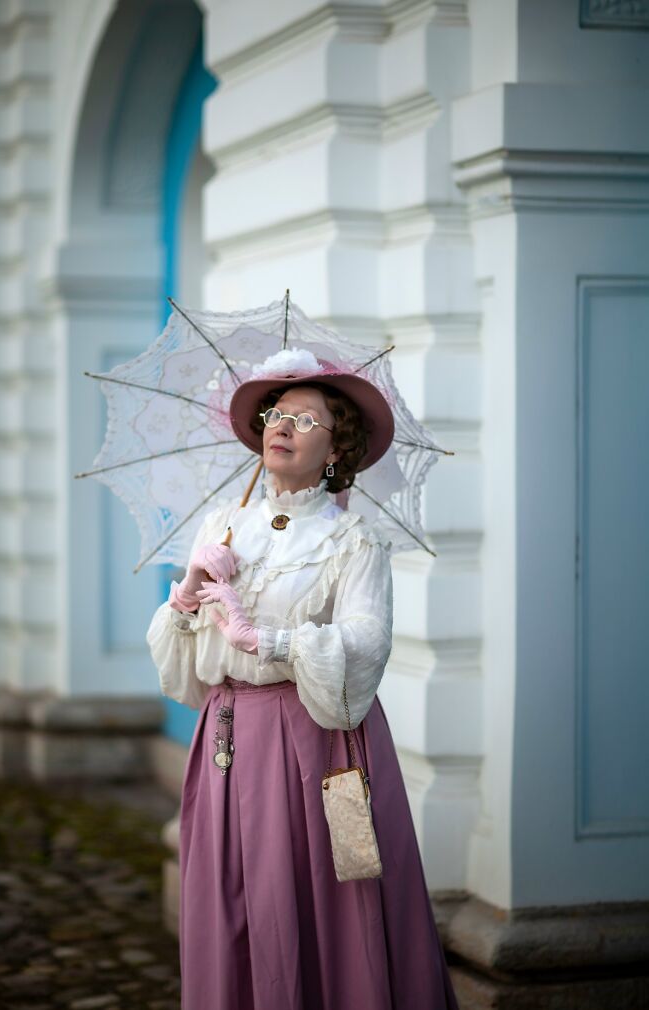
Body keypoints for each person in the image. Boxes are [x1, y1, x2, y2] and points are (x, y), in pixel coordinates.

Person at [146, 348, 460, 1010]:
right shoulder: (222, 526)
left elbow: (367, 643)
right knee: (233, 898)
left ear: (337, 448)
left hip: (312, 745)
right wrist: (189, 593)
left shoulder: (352, 541)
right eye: (275, 414)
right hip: (225, 738)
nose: (284, 426)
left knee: (319, 896)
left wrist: (269, 640)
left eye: (307, 419)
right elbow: (185, 677)